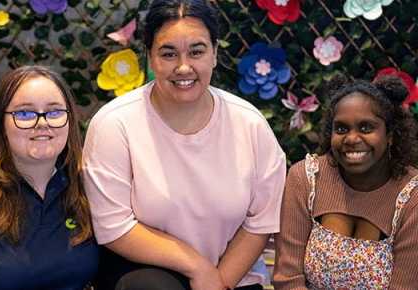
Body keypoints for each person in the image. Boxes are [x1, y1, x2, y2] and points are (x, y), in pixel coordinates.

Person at [82, 1, 286, 289]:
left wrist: (218, 281)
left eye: (197, 51)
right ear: (150, 58)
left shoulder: (249, 124)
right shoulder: (115, 124)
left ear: (214, 54)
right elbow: (115, 227)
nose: (183, 66)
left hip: (231, 275)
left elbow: (260, 222)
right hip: (144, 274)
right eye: (168, 54)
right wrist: (196, 266)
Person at [0, 66, 100, 290]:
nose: (42, 123)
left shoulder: (86, 185)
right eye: (24, 114)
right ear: (1, 124)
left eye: (55, 112)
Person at [273, 75, 418, 289]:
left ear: (390, 135)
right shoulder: (306, 178)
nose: (351, 138)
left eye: (366, 127)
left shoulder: (412, 196)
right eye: (341, 129)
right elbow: (288, 278)